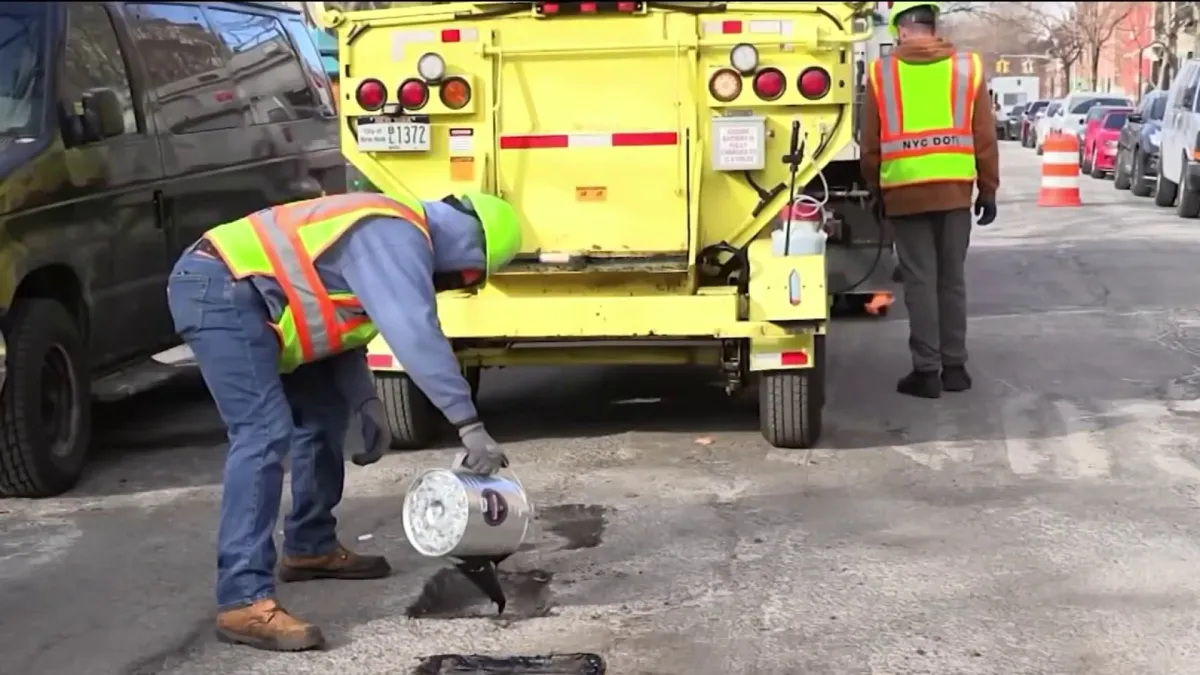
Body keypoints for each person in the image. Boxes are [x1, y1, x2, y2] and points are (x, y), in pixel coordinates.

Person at [166, 190, 522, 652]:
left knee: (320, 416)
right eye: (466, 275)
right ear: (470, 244)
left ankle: (309, 546)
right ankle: (244, 601)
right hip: (219, 290)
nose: (452, 283)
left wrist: (363, 400)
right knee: (263, 433)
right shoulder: (394, 234)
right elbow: (415, 330)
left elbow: (338, 322)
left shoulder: (385, 232)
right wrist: (469, 425)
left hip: (247, 295)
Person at [861, 0, 999, 399]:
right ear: (933, 27)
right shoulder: (966, 68)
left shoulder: (882, 72)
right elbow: (984, 137)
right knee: (951, 280)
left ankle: (926, 372)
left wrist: (875, 186)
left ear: (901, 30)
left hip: (904, 193)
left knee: (920, 283)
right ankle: (955, 369)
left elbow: (871, 142)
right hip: (955, 191)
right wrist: (987, 188)